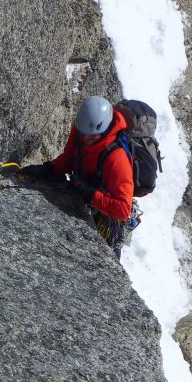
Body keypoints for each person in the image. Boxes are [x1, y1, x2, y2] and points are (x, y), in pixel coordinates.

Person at [22, 96, 134, 259]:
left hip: (105, 214)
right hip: (82, 192)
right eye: (83, 134)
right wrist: (48, 169)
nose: (86, 139)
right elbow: (70, 157)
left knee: (107, 259)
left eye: (92, 136)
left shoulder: (116, 159)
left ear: (104, 130)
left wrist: (90, 194)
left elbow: (123, 210)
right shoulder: (82, 130)